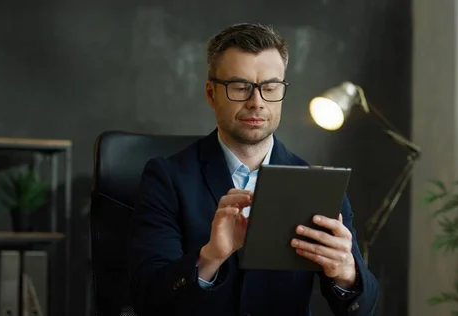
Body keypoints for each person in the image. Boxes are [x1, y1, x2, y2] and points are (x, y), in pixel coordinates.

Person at [128, 22, 379, 316]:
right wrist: (210, 257)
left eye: (270, 88)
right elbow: (148, 300)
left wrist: (346, 271)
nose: (256, 102)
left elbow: (362, 310)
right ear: (211, 94)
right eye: (239, 87)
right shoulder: (166, 178)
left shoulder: (318, 184)